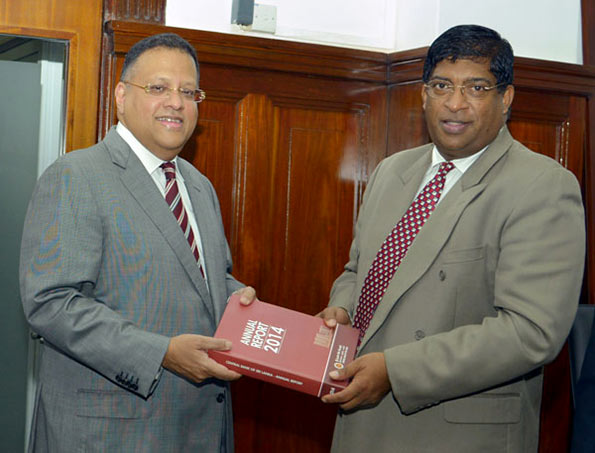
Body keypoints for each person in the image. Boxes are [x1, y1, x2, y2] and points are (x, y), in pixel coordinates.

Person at [318, 25, 585, 452]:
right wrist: (342, 310)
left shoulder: (542, 186)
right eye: (442, 85)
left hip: (455, 435)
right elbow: (358, 271)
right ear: (424, 94)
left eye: (476, 87)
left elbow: (530, 332)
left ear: (506, 98)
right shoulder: (391, 171)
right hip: (361, 422)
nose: (455, 103)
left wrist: (396, 371)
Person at [19, 33, 255, 452]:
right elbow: (50, 303)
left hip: (197, 429)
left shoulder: (199, 188)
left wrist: (247, 307)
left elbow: (208, 281)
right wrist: (161, 352)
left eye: (188, 92)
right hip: (109, 434)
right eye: (159, 88)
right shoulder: (76, 175)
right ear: (121, 96)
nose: (176, 103)